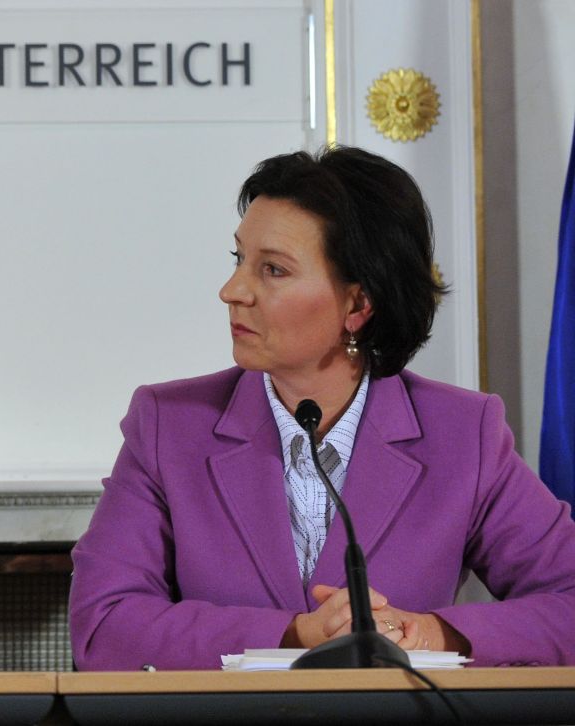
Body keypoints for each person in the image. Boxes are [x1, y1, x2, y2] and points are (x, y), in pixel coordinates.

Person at [69, 146, 575, 670]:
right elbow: (103, 624)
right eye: (239, 260)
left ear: (358, 304)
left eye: (273, 270)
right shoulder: (167, 425)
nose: (232, 291)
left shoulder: (462, 434)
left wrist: (426, 633)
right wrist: (293, 634)